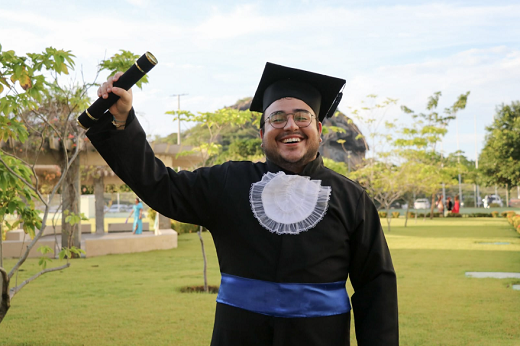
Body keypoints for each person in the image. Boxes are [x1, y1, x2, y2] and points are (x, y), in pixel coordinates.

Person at [87, 62, 398, 345]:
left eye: (302, 117)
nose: (290, 126)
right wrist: (124, 118)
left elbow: (376, 286)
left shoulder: (351, 198)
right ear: (262, 133)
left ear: (318, 130)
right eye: (277, 118)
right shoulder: (229, 182)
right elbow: (161, 185)